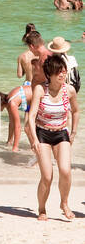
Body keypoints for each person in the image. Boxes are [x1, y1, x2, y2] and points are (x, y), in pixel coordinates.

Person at [26, 53, 78, 221]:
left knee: (65, 171)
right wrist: (34, 138)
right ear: (50, 74)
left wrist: (74, 132)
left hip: (61, 133)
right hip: (42, 133)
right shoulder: (41, 89)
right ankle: (42, 209)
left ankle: (64, 203)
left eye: (64, 70)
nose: (63, 74)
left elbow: (76, 111)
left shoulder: (69, 90)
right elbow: (31, 116)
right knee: (47, 176)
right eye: (59, 72)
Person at [0, 84, 30, 151]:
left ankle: (37, 149)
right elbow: (12, 123)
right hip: (34, 101)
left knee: (28, 129)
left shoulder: (12, 103)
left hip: (42, 98)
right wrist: (9, 142)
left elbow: (17, 126)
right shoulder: (8, 103)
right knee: (28, 129)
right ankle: (35, 149)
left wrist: (15, 147)